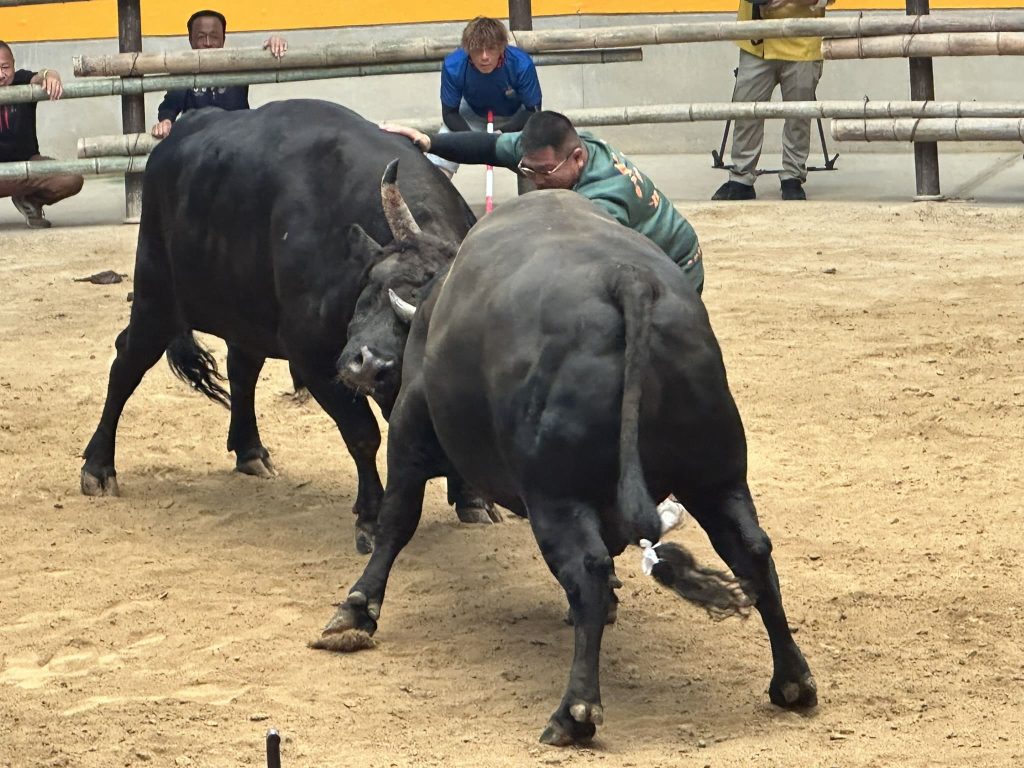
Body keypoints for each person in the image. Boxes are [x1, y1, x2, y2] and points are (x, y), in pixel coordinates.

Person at [384, 110, 703, 295]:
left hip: (676, 266)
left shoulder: (601, 202)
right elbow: (488, 146)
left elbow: (575, 261)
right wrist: (430, 142)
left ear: (577, 159)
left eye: (544, 172)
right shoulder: (552, 153)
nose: (534, 179)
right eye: (527, 169)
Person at [711, 0, 835, 202]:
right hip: (756, 40)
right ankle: (741, 177)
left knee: (799, 116)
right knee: (746, 111)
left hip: (803, 41)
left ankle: (793, 177)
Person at [427, 16, 542, 177]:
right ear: (467, 49)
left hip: (516, 117)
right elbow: (450, 114)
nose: (484, 56)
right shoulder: (453, 65)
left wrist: (502, 134)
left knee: (541, 159)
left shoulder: (521, 64)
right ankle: (433, 199)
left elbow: (533, 111)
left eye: (491, 48)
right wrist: (474, 141)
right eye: (477, 50)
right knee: (438, 158)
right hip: (471, 114)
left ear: (502, 47)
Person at [151, 9, 287, 138]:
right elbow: (169, 106)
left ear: (223, 39)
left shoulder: (238, 64)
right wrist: (166, 122)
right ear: (191, 40)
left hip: (238, 140)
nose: (208, 43)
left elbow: (265, 64)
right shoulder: (184, 71)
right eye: (201, 37)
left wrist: (273, 45)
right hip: (199, 146)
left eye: (214, 36)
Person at [0, 40, 83, 229]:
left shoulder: (21, 80)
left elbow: (40, 76)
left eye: (5, 67)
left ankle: (30, 201)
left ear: (13, 64)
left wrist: (50, 76)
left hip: (28, 168)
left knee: (71, 178)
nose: (0, 75)